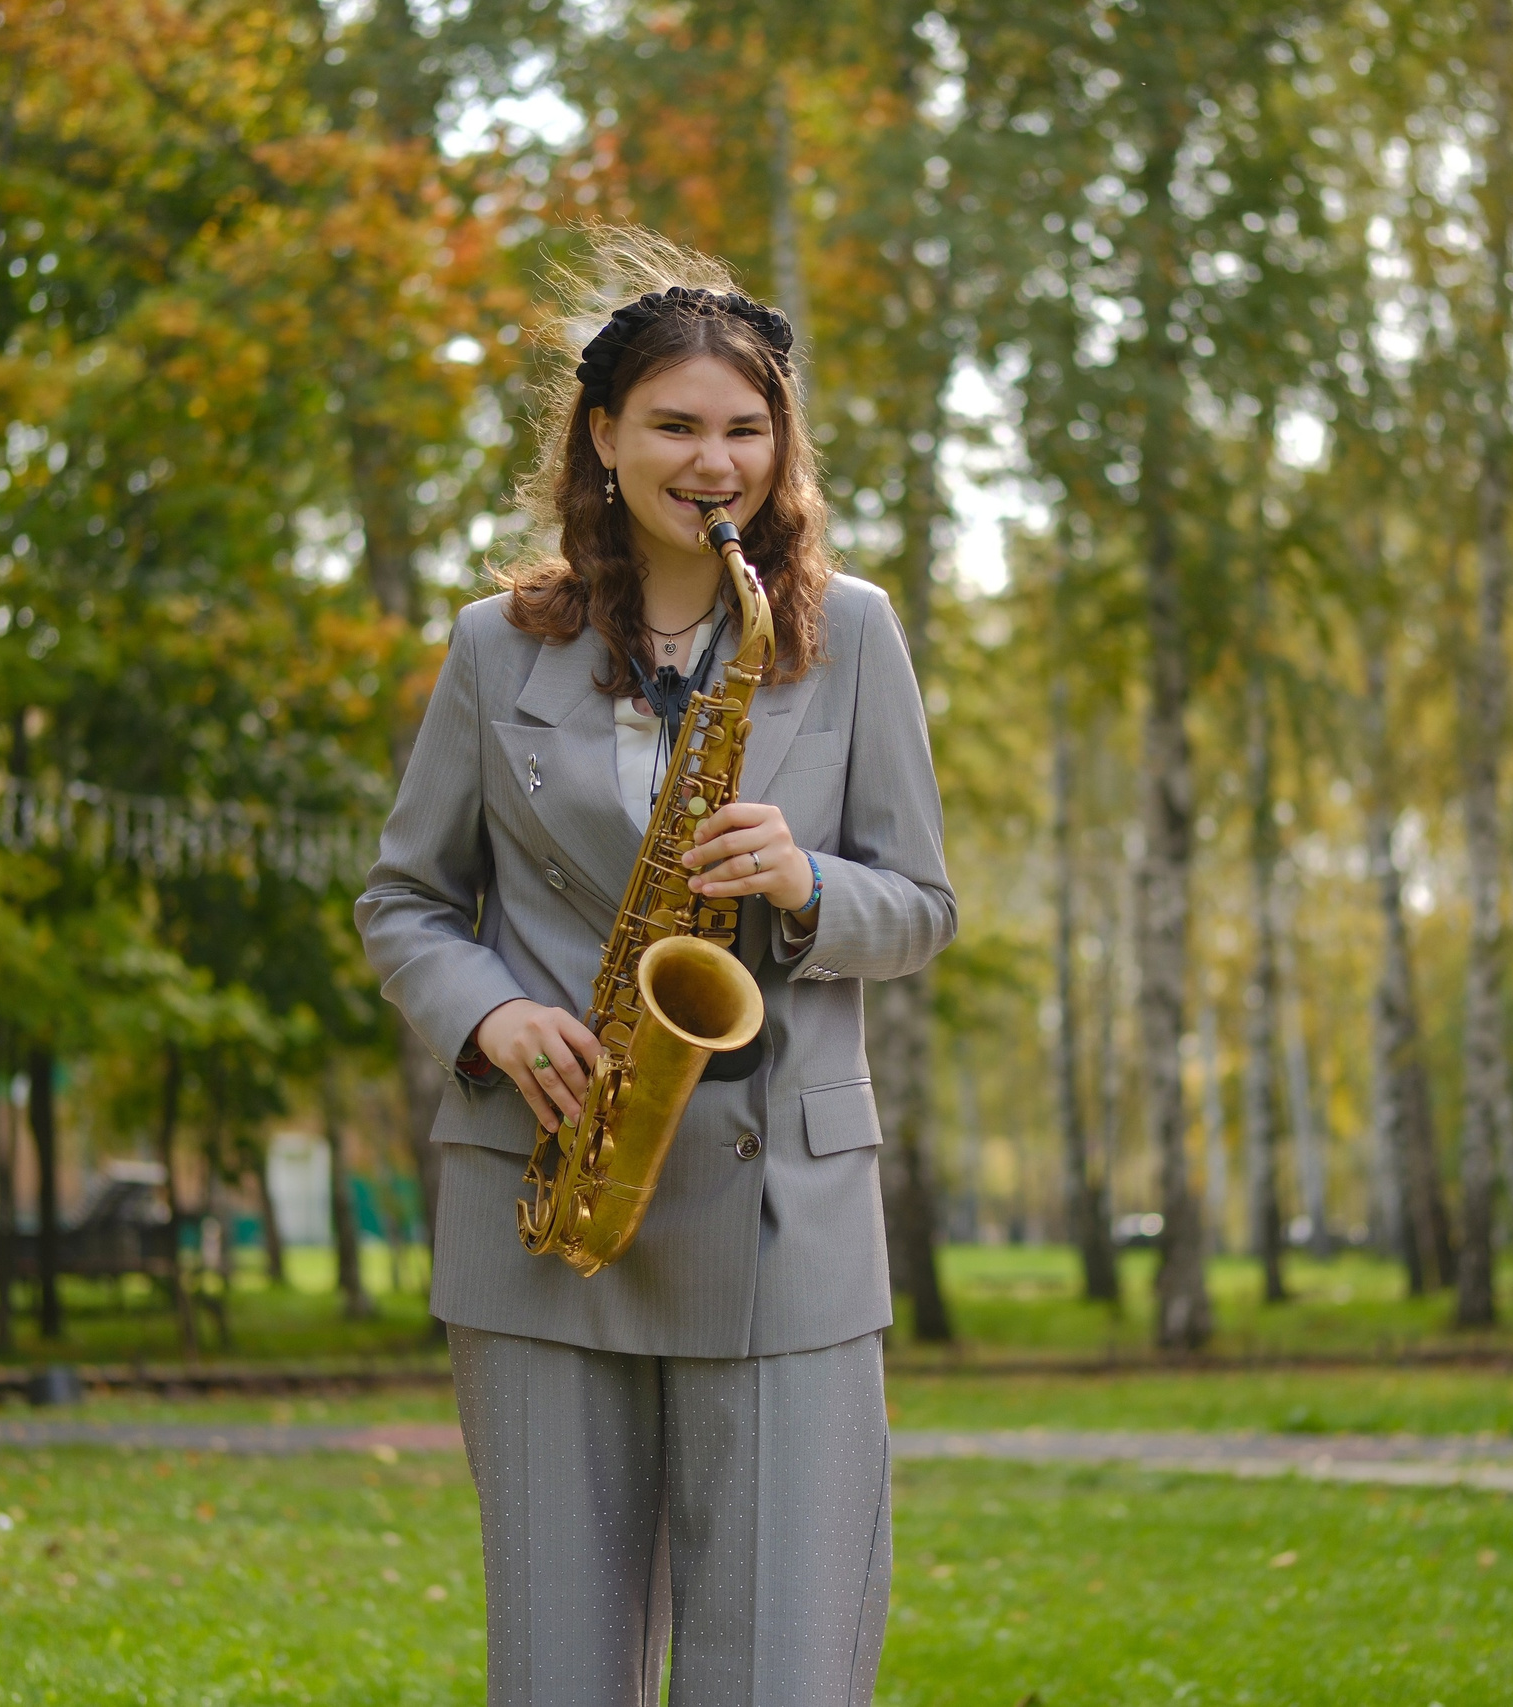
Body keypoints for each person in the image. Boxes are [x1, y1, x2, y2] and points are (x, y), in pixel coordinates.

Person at [355, 231, 956, 1707]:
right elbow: (405, 899)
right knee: (557, 1674)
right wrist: (489, 1014)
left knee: (784, 1674)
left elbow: (926, 903)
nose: (717, 461)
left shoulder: (852, 633)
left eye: (747, 430)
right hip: (545, 1191)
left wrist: (810, 885)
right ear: (604, 438)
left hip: (781, 1224)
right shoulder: (496, 647)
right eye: (678, 426)